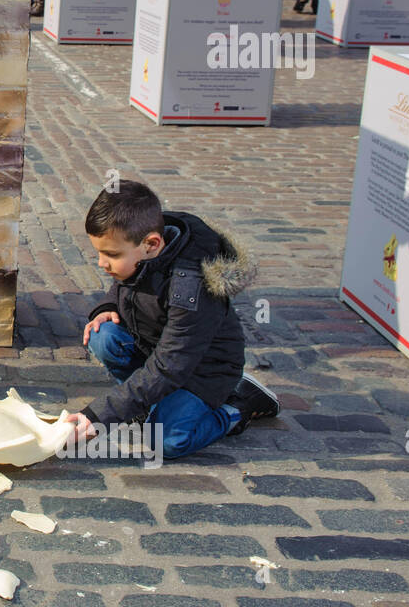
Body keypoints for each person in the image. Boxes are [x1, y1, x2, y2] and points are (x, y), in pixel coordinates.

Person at [62, 180, 279, 459]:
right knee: (104, 334)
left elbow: (169, 367)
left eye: (111, 255)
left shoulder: (190, 288)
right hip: (160, 351)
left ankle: (239, 406)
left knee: (166, 442)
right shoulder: (144, 246)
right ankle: (145, 405)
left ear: (152, 244)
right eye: (99, 253)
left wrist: (100, 415)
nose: (102, 264)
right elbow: (124, 283)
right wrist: (106, 306)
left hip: (202, 371)